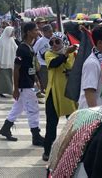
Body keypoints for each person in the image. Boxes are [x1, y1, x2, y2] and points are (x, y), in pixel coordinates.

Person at [0, 22, 45, 146]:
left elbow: (31, 67)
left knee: (18, 107)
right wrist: (15, 88)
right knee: (33, 109)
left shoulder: (30, 47)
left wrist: (37, 80)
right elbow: (16, 68)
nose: (37, 32)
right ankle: (36, 135)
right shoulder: (23, 48)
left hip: (29, 83)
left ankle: (5, 128)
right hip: (25, 85)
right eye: (35, 30)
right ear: (28, 32)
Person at [42, 32, 77, 161]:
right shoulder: (49, 54)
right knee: (51, 125)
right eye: (51, 42)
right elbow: (54, 64)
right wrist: (65, 53)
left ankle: (73, 150)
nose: (54, 45)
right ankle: (47, 151)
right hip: (54, 94)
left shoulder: (73, 54)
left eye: (57, 42)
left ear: (64, 42)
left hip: (69, 94)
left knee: (73, 124)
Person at [0, 26, 18, 98]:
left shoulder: (11, 40)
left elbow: (16, 48)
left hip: (9, 63)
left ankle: (7, 91)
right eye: (12, 32)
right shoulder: (1, 41)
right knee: (2, 79)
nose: (13, 33)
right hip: (2, 64)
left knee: (8, 79)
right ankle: (0, 92)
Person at [33, 24, 53, 96]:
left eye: (52, 31)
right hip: (42, 64)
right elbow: (33, 51)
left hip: (50, 64)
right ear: (44, 32)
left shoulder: (52, 39)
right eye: (49, 32)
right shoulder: (40, 41)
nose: (51, 33)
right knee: (45, 82)